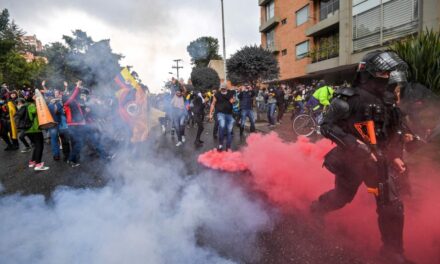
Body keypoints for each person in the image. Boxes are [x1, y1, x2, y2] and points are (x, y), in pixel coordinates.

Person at [310, 50, 414, 264]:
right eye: (384, 73)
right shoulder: (349, 98)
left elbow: (388, 133)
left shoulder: (387, 102)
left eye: (389, 73)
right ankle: (317, 209)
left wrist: (395, 156)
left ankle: (392, 252)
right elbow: (326, 126)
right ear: (369, 73)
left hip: (379, 163)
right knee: (342, 198)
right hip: (352, 161)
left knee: (392, 205)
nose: (388, 77)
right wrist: (356, 146)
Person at [64, 80, 86, 167]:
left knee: (75, 143)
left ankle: (74, 160)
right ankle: (71, 159)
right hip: (73, 125)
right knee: (79, 143)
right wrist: (77, 86)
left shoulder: (75, 102)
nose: (68, 94)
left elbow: (80, 112)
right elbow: (73, 95)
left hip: (78, 124)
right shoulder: (66, 102)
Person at [25, 91, 49, 171]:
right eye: (35, 97)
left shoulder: (25, 105)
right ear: (33, 98)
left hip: (28, 129)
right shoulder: (31, 105)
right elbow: (36, 112)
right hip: (34, 128)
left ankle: (32, 162)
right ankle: (38, 164)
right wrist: (37, 102)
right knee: (40, 146)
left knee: (36, 145)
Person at [209, 83, 235, 151]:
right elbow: (213, 104)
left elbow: (232, 101)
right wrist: (210, 114)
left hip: (229, 114)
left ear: (226, 88)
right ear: (220, 88)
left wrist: (233, 100)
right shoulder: (217, 94)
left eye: (224, 88)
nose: (223, 89)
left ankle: (228, 147)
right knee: (222, 126)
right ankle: (220, 144)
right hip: (221, 114)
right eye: (222, 88)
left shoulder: (230, 93)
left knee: (229, 131)